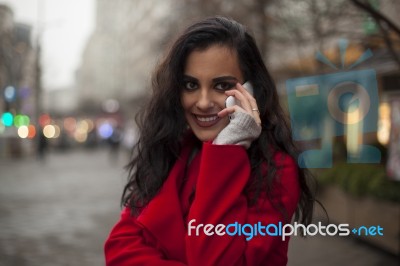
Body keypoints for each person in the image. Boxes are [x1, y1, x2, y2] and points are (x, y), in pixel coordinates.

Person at [104, 16, 315, 266]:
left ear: (251, 90)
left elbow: (214, 259)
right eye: (191, 85)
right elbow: (119, 247)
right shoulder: (171, 151)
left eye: (222, 85)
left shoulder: (276, 169)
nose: (203, 102)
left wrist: (226, 151)